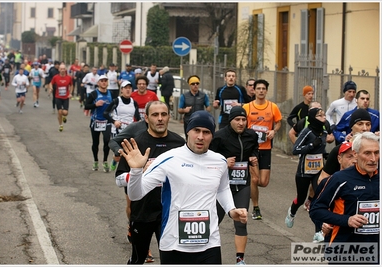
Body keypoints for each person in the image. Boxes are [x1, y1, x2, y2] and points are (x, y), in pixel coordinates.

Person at [120, 110, 248, 264]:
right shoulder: (168, 159)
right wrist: (135, 172)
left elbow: (222, 188)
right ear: (188, 132)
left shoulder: (219, 161)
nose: (201, 137)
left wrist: (231, 209)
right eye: (196, 131)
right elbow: (135, 195)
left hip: (210, 244)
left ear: (212, 135)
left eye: (206, 132)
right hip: (174, 244)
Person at [116, 101, 185, 264]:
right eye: (155, 115)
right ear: (146, 118)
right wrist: (137, 172)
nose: (160, 119)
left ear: (169, 116)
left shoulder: (179, 144)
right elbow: (119, 180)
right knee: (138, 259)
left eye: (164, 114)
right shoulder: (136, 144)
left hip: (171, 213)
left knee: (172, 260)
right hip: (142, 213)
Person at [309, 132, 379, 259]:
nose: (373, 159)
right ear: (356, 155)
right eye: (367, 153)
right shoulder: (339, 179)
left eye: (376, 153)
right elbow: (316, 210)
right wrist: (347, 220)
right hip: (345, 250)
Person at [209, 106, 259, 265]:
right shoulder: (219, 136)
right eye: (237, 119)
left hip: (242, 184)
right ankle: (204, 253)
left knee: (242, 221)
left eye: (244, 120)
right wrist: (224, 161)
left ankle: (240, 259)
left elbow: (254, 149)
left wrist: (253, 157)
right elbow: (207, 158)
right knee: (213, 222)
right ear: (231, 121)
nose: (241, 123)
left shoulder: (251, 135)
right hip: (221, 187)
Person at [284, 108, 328, 241]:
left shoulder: (324, 131)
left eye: (323, 114)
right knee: (301, 198)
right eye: (319, 115)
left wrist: (325, 154)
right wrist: (311, 145)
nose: (323, 117)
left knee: (318, 199)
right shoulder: (306, 131)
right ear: (313, 118)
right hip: (304, 171)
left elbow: (322, 147)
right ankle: (292, 212)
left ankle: (318, 233)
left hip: (318, 170)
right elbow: (295, 149)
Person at [242, 79, 282, 220]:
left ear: (266, 91)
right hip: (252, 148)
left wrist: (273, 131)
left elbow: (278, 122)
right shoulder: (247, 107)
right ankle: (256, 207)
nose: (260, 91)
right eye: (258, 88)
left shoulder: (272, 107)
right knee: (255, 178)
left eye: (263, 88)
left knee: (263, 182)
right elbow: (241, 123)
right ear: (254, 90)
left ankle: (248, 184)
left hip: (266, 148)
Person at [317, 108, 374, 185]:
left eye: (368, 124)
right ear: (351, 126)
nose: (365, 128)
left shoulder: (376, 149)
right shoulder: (339, 149)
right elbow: (322, 179)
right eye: (360, 124)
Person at [84, 75, 113, 172]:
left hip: (107, 122)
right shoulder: (94, 94)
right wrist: (95, 105)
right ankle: (95, 160)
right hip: (96, 121)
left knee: (107, 141)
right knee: (95, 143)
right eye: (102, 81)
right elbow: (86, 106)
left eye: (105, 81)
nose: (104, 82)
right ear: (98, 83)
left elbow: (115, 105)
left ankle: (105, 161)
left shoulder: (111, 93)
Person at [49, 63, 73, 132]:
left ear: (65, 70)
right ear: (59, 70)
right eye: (61, 69)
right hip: (58, 97)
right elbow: (51, 83)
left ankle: (64, 116)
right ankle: (60, 125)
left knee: (65, 112)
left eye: (64, 69)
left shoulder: (68, 77)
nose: (62, 70)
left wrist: (70, 93)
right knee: (59, 112)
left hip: (66, 97)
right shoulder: (56, 77)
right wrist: (51, 88)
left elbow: (71, 85)